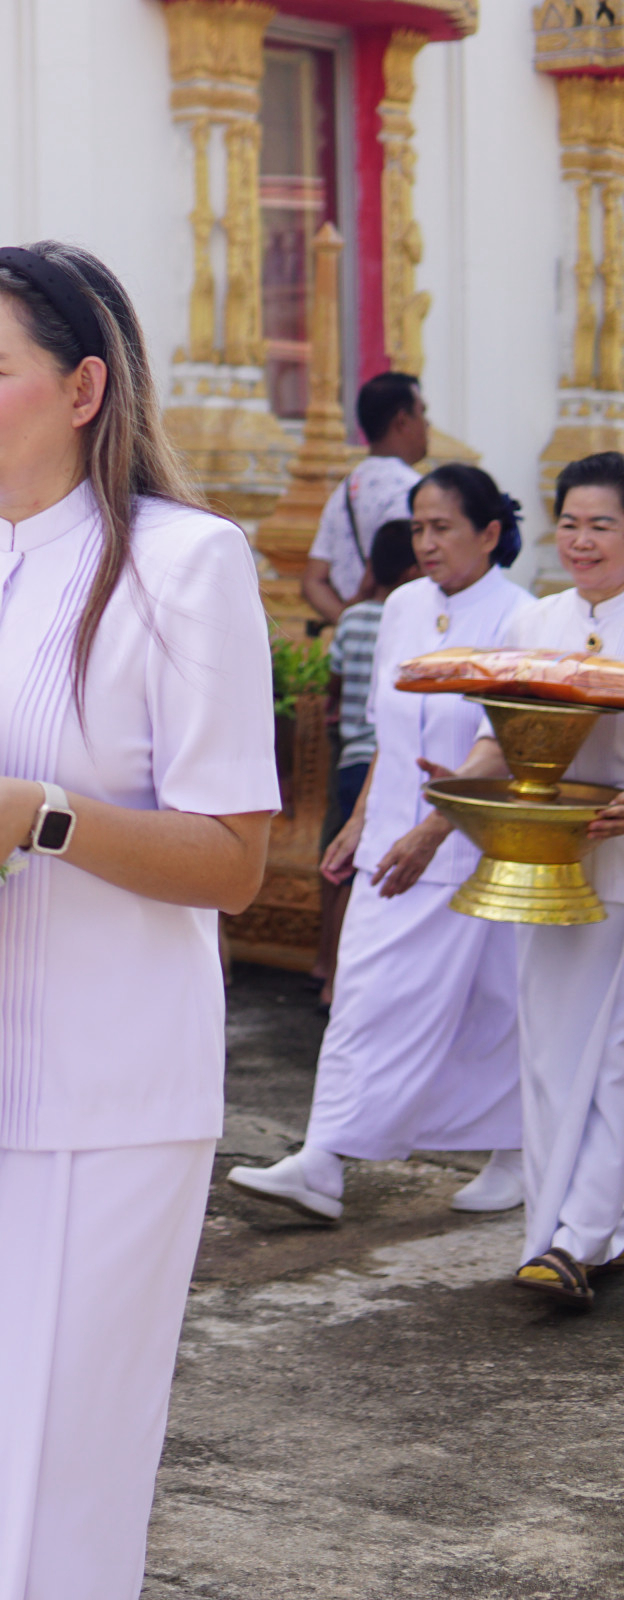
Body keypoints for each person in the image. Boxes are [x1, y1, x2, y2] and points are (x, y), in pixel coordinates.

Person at [0, 242, 277, 1599]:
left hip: (101, 1093)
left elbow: (232, 862)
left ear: (86, 385)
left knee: (57, 1475)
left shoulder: (186, 564)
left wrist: (45, 813)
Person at [229, 463, 533, 1223]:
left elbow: (513, 741)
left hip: (470, 844)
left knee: (490, 1006)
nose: (426, 544)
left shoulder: (520, 619)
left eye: (444, 529)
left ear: (490, 534)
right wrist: (362, 822)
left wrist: (437, 826)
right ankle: (324, 1160)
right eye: (419, 528)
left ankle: (516, 1151)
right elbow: (387, 734)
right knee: (366, 999)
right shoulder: (401, 605)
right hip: (393, 846)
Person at [451, 451, 624, 1301]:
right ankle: (557, 1232)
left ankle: (580, 1239)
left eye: (604, 524)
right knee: (555, 1057)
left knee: (622, 1062)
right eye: (572, 523)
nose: (582, 541)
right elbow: (502, 736)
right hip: (553, 865)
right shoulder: (538, 621)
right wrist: (460, 789)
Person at [315, 518, 420, 1000]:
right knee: (366, 871)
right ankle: (348, 981)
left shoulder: (354, 619)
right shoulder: (410, 617)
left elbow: (333, 688)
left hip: (349, 757)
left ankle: (327, 974)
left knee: (338, 867)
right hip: (387, 762)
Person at [303, 371, 429, 625]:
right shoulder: (412, 491)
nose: (427, 424)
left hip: (357, 640)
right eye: (422, 413)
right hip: (403, 626)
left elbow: (313, 582)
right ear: (402, 421)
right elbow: (377, 576)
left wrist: (350, 624)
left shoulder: (345, 490)